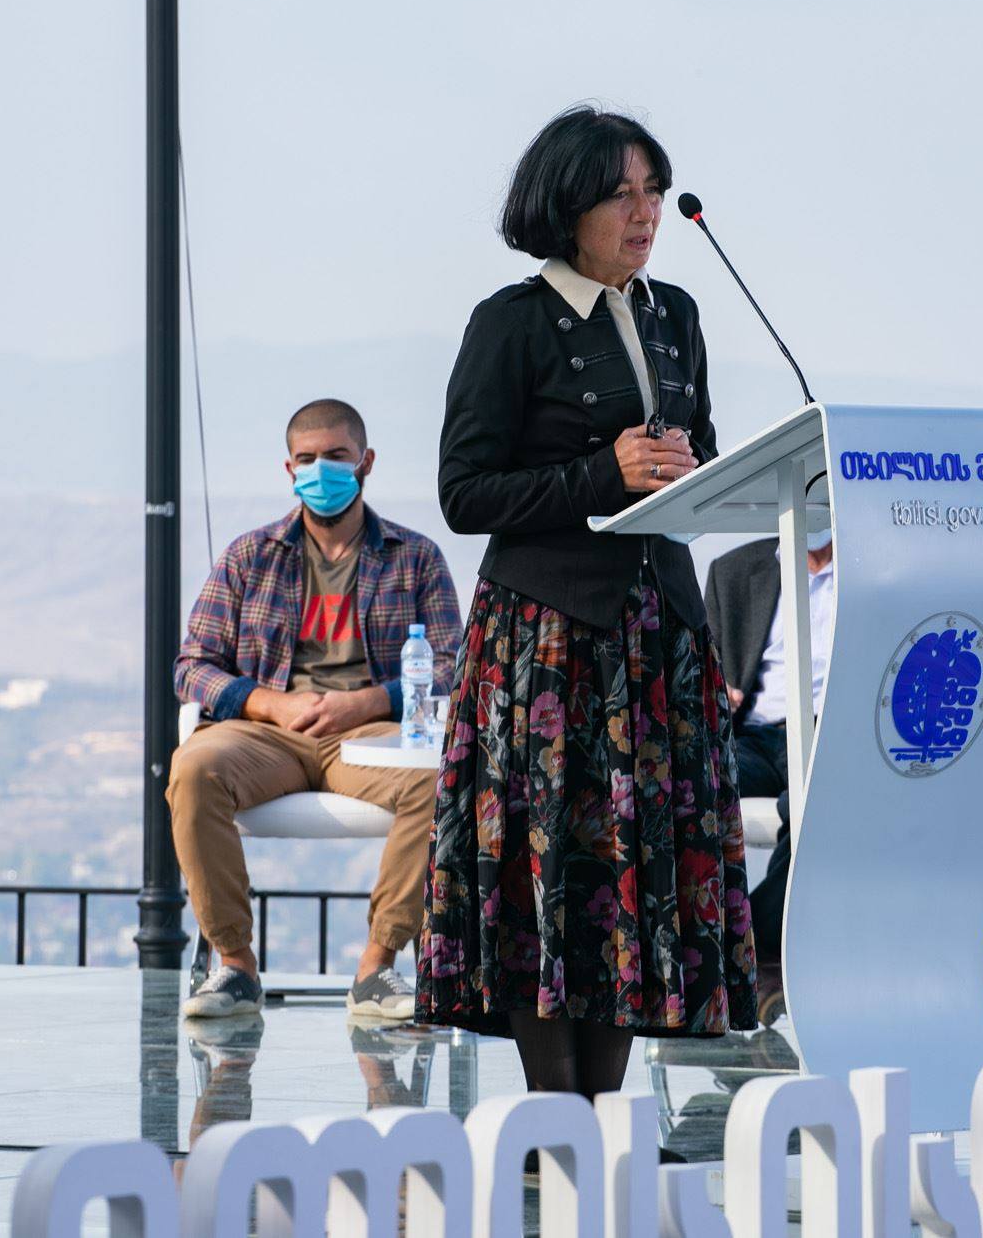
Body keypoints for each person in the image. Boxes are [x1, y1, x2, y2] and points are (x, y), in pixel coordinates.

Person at [417, 106, 757, 1102]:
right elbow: (464, 493)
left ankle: (602, 1116)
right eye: (621, 194)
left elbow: (695, 454)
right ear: (565, 207)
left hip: (660, 636)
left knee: (631, 884)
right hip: (549, 642)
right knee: (555, 874)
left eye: (654, 191)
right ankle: (551, 1114)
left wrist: (692, 466)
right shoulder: (511, 322)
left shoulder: (675, 314)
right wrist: (602, 472)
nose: (644, 212)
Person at [171, 399, 461, 1022]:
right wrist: (269, 703)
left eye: (336, 456)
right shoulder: (250, 556)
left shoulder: (415, 557)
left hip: (371, 734)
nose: (321, 470)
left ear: (366, 462)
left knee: (440, 781)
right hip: (266, 733)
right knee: (194, 770)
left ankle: (377, 968)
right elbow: (192, 665)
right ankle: (235, 967)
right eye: (307, 459)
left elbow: (451, 663)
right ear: (288, 468)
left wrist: (369, 700)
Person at [703, 531, 837, 1023]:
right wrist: (718, 691)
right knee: (686, 786)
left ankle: (750, 946)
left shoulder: (874, 570)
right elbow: (704, 665)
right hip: (751, 734)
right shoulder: (733, 570)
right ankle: (699, 944)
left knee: (811, 805)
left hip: (829, 730)